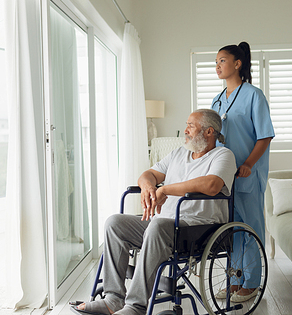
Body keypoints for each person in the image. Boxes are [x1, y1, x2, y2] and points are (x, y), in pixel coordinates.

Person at [73, 109, 236, 315]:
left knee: (158, 225)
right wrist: (149, 187)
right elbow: (148, 174)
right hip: (162, 225)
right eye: (186, 124)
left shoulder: (223, 155)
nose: (185, 130)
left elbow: (212, 184)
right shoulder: (179, 153)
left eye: (191, 126)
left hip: (196, 227)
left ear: (209, 132)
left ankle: (136, 306)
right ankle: (113, 299)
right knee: (114, 223)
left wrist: (166, 189)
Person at [211, 42, 275, 302]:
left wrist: (248, 163)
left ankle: (252, 283)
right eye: (215, 62)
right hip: (225, 175)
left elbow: (265, 136)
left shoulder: (253, 95)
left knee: (250, 228)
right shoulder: (216, 100)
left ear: (237, 64)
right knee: (232, 230)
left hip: (247, 175)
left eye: (222, 61)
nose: (217, 66)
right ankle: (235, 279)